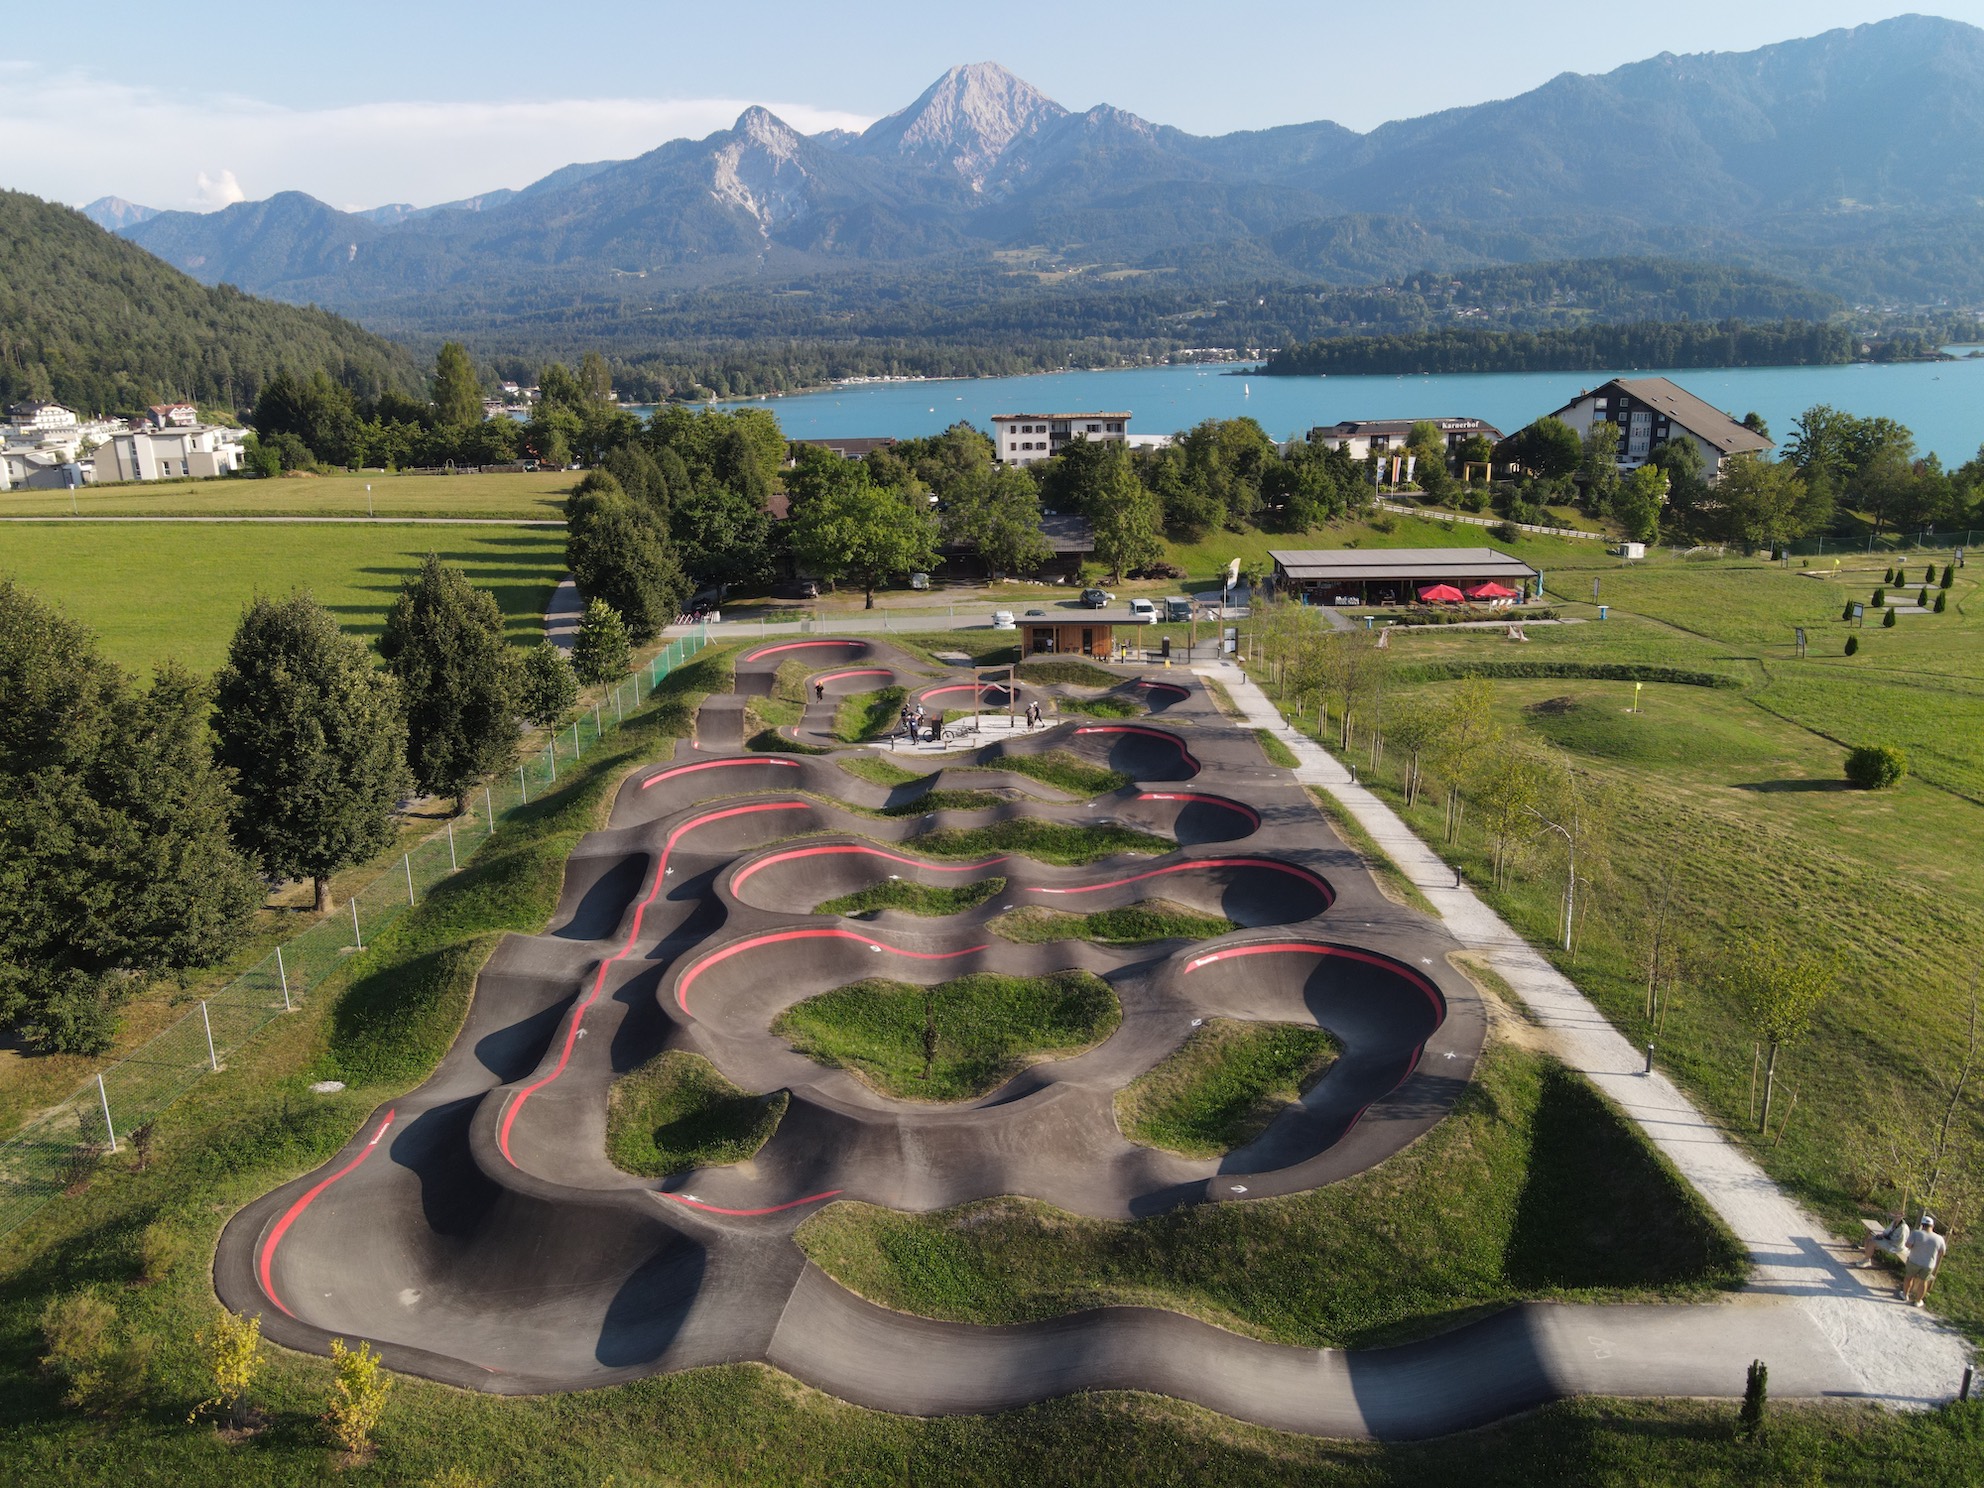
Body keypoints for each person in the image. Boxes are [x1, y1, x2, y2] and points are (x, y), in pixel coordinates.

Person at [1902, 1215, 1947, 1306]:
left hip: (1914, 1261)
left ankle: (1905, 1295)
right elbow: (1942, 1253)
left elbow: (1908, 1245)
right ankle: (1918, 1301)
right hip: (1928, 1264)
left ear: (1922, 1225)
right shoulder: (1939, 1238)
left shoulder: (1916, 1233)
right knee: (1924, 1282)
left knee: (1908, 1277)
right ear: (1932, 1226)